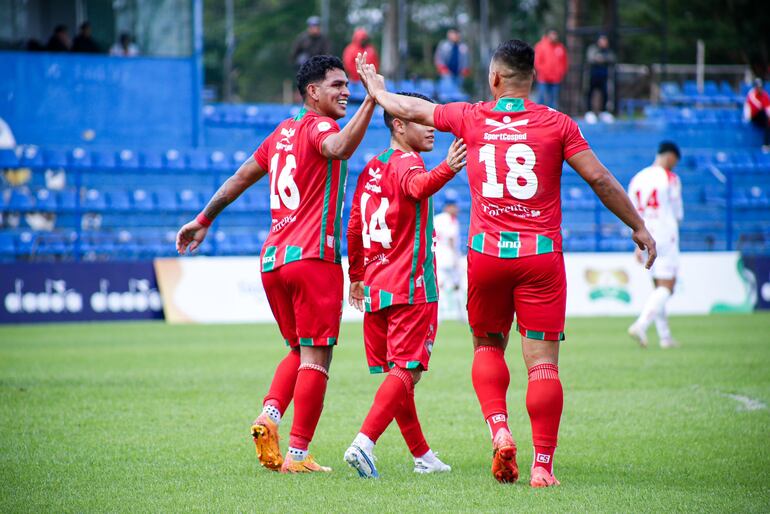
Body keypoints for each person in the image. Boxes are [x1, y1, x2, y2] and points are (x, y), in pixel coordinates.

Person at [355, 39, 656, 487]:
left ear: (495, 78)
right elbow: (598, 177)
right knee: (543, 365)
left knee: (488, 347)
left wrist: (377, 90)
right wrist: (637, 225)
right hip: (540, 258)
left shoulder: (471, 116)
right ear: (532, 79)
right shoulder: (558, 124)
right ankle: (542, 467)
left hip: (487, 256)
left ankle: (500, 431)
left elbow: (411, 110)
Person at [176, 55, 376, 474]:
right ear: (312, 93)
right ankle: (298, 457)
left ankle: (269, 416)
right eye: (337, 85)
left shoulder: (281, 133)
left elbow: (238, 178)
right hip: (312, 259)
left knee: (297, 350)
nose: (346, 91)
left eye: (349, 86)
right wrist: (372, 102)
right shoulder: (323, 126)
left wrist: (202, 219)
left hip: (273, 261)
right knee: (317, 358)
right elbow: (337, 147)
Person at [344, 92, 466, 478]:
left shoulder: (372, 167)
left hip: (378, 286)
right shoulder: (409, 162)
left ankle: (422, 456)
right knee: (407, 372)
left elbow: (354, 226)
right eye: (421, 119)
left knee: (400, 376)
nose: (432, 127)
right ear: (398, 124)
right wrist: (447, 168)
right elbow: (418, 187)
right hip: (411, 286)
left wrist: (357, 276)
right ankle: (364, 443)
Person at [627, 141, 683, 349]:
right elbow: (677, 213)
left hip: (643, 236)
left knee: (657, 288)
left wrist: (636, 244)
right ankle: (641, 324)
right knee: (668, 286)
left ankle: (665, 337)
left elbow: (631, 211)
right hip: (665, 235)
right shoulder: (670, 178)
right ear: (670, 156)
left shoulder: (637, 178)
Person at [434, 191, 465, 320]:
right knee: (455, 286)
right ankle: (461, 315)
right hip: (447, 257)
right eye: (453, 205)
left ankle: (439, 316)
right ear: (447, 206)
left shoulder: (437, 218)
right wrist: (457, 258)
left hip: (438, 256)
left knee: (442, 287)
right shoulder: (449, 219)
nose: (456, 208)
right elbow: (452, 240)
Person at [584, 35, 616, 124]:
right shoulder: (593, 49)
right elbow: (591, 58)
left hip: (604, 77)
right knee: (590, 93)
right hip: (593, 76)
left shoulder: (608, 51)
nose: (603, 43)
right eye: (602, 40)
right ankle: (589, 112)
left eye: (605, 41)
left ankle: (604, 112)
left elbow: (612, 58)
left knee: (605, 93)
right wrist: (598, 59)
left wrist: (602, 59)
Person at [534, 29, 568, 109]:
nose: (555, 36)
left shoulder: (560, 47)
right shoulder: (540, 46)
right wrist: (544, 72)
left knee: (553, 102)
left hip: (556, 79)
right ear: (548, 35)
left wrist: (561, 73)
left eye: (556, 34)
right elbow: (537, 62)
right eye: (553, 34)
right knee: (541, 99)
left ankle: (552, 120)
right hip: (543, 78)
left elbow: (564, 62)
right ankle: (539, 118)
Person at [743, 78, 770, 152]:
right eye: (758, 87)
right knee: (763, 114)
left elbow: (768, 108)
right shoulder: (751, 94)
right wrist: (746, 118)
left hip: (763, 118)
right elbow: (749, 107)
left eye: (760, 87)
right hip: (755, 116)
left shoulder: (765, 95)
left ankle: (766, 144)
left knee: (767, 122)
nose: (759, 89)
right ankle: (766, 145)